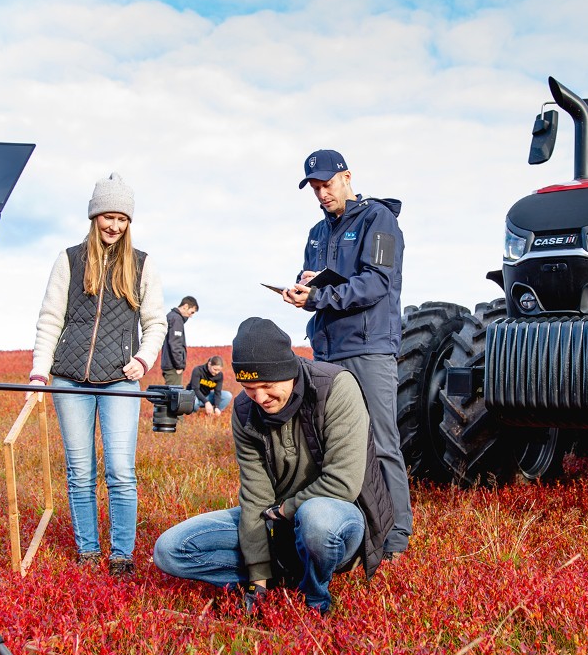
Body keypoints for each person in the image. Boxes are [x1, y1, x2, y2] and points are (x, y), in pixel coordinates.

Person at [154, 318, 392, 613]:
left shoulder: (335, 387)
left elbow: (343, 482)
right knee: (170, 550)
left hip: (338, 519)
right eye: (249, 388)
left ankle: (315, 597)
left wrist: (285, 510)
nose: (260, 398)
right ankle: (285, 576)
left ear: (289, 371)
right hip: (275, 522)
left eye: (267, 386)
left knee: (315, 518)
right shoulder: (243, 411)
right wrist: (258, 580)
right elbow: (256, 498)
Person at [29, 173, 167, 577]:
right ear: (94, 217)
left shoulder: (142, 264)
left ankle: (122, 555)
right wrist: (39, 374)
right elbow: (50, 319)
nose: (114, 226)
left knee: (121, 472)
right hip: (69, 379)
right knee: (80, 471)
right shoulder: (68, 259)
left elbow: (156, 323)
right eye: (108, 216)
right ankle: (88, 552)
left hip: (121, 381)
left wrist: (142, 361)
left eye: (122, 218)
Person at [281, 149, 410, 559]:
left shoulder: (379, 220)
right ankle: (354, 531)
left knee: (381, 442)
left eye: (327, 184)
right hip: (327, 352)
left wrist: (319, 295)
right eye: (314, 188)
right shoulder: (317, 234)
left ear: (347, 177)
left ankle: (396, 538)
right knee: (336, 444)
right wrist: (301, 289)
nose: (321, 193)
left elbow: (377, 283)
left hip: (369, 350)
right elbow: (317, 286)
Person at [160, 296, 199, 386]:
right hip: (173, 366)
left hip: (169, 364)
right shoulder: (176, 319)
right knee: (174, 395)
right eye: (191, 312)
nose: (191, 316)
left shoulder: (171, 316)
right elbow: (175, 344)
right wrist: (179, 365)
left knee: (171, 394)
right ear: (185, 306)